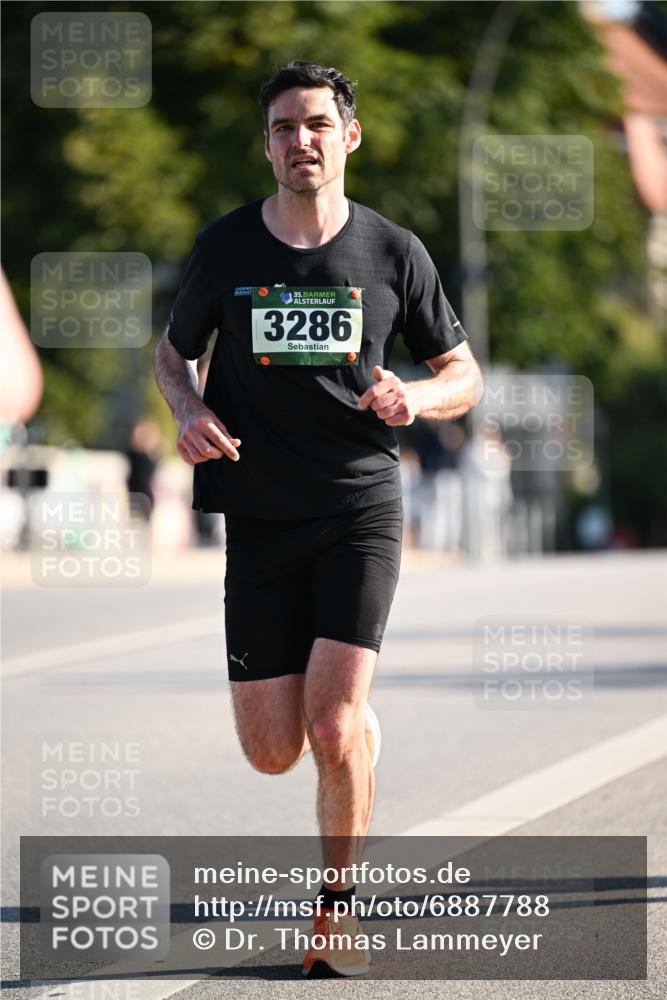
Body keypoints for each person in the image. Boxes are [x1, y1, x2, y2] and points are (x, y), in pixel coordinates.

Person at [154, 60, 482, 977]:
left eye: (316, 124)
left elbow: (464, 374)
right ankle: (355, 733)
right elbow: (173, 356)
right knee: (271, 751)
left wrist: (413, 399)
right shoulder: (225, 250)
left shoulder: (392, 252)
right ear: (266, 143)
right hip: (258, 515)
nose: (300, 140)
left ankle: (336, 916)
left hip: (357, 507)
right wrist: (188, 413)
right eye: (283, 127)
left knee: (332, 726)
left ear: (350, 135)